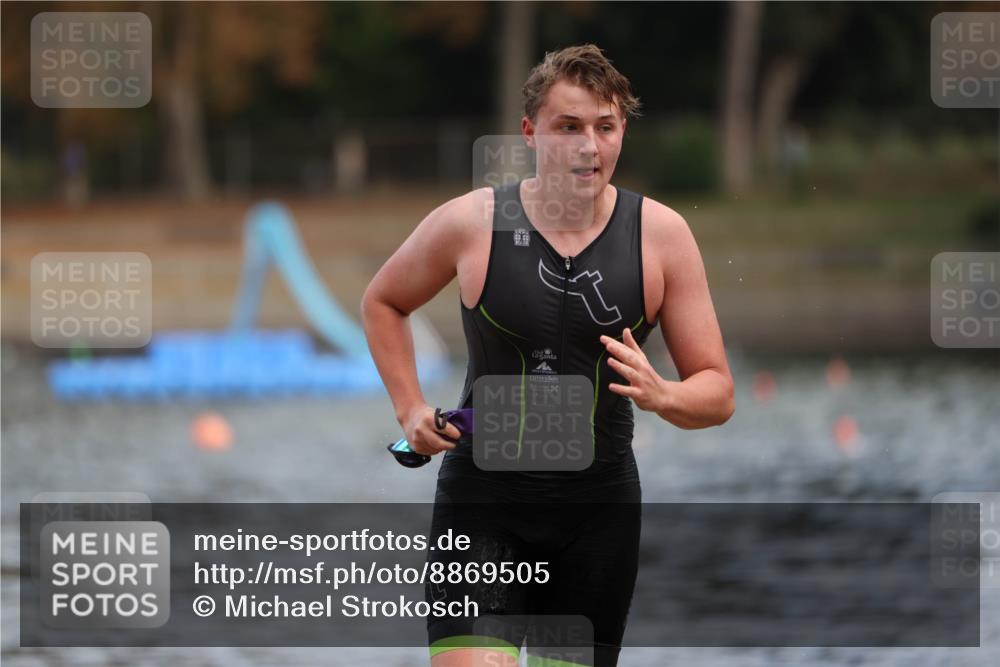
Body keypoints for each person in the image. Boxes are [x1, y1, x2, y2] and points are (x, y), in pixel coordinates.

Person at [362, 44, 734, 667]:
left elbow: (717, 391)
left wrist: (664, 394)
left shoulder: (662, 236)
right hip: (483, 509)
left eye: (605, 127)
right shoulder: (472, 223)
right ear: (531, 133)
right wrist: (409, 410)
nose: (590, 145)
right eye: (569, 127)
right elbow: (383, 302)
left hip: (599, 518)